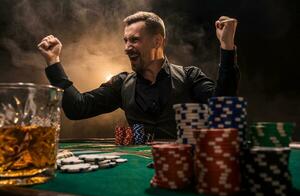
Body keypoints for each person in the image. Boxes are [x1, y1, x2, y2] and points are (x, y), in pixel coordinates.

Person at [38, 11, 239, 139]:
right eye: (125, 40)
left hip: (181, 165)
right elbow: (77, 108)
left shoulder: (190, 76)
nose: (127, 48)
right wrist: (53, 62)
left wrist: (227, 46)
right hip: (133, 171)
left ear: (157, 41)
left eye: (134, 40)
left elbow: (222, 106)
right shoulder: (121, 83)